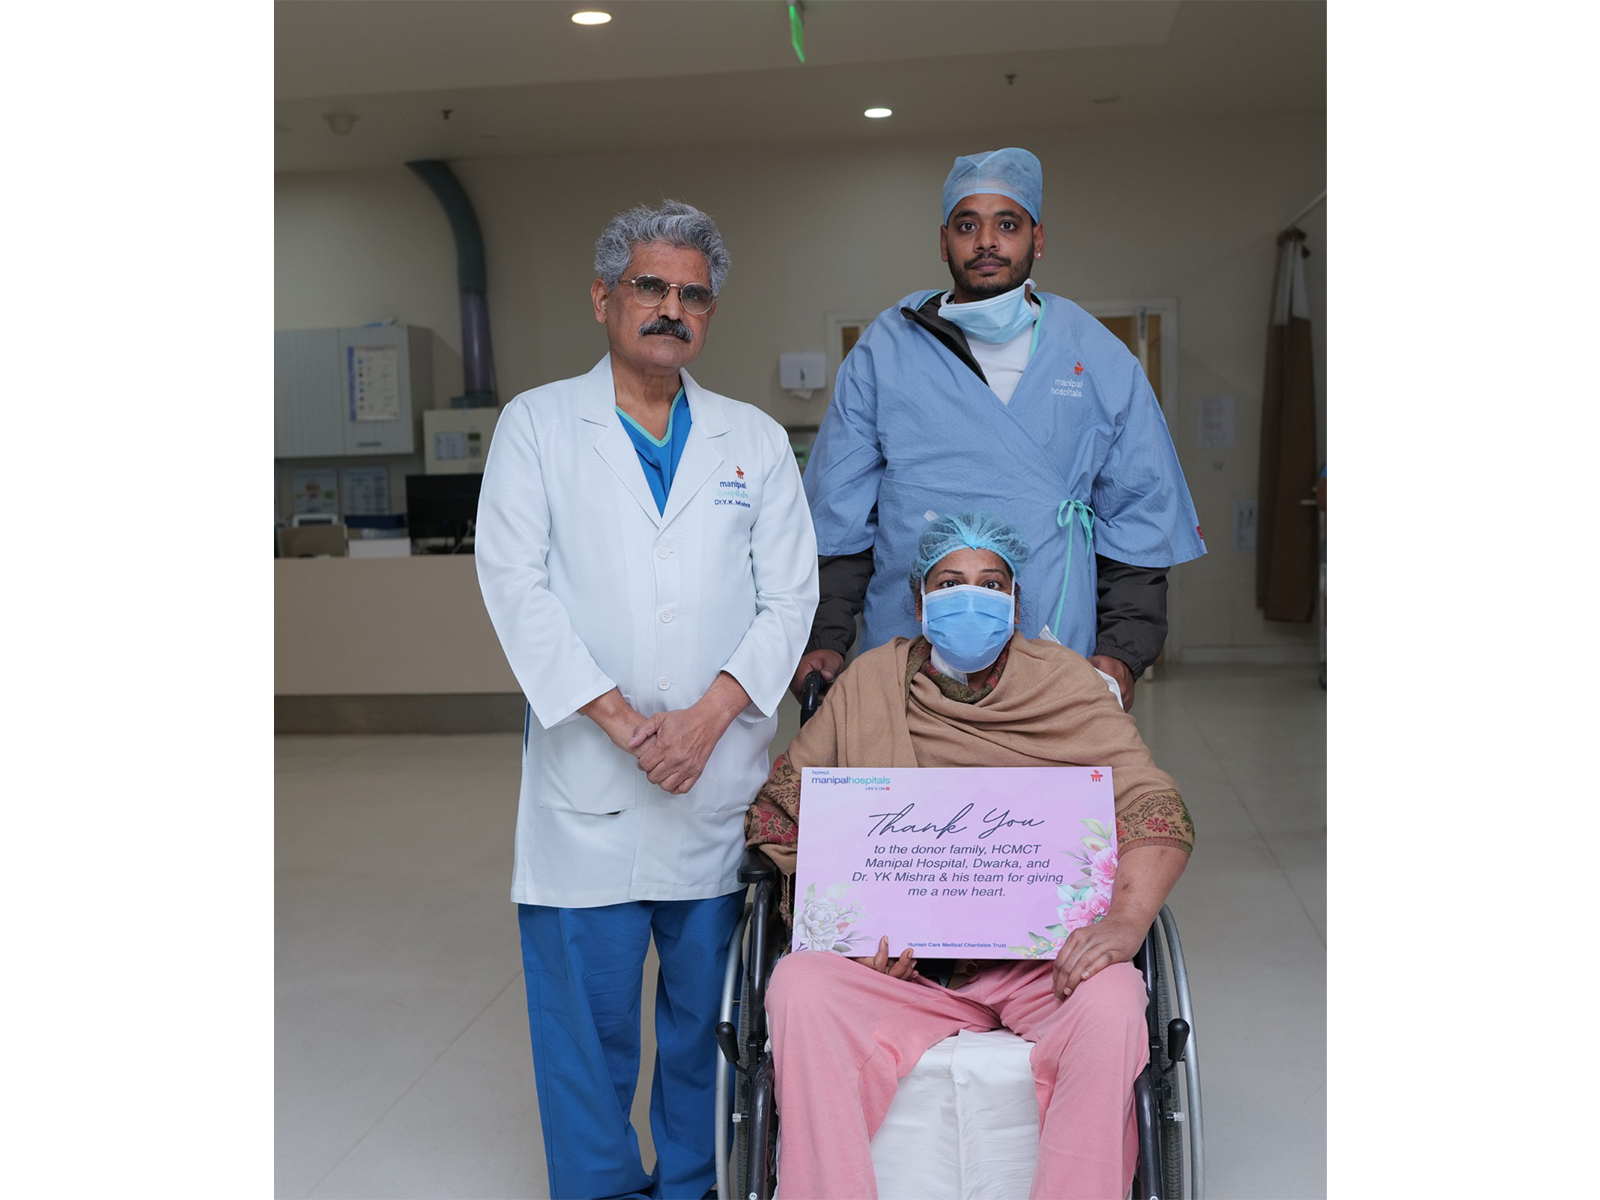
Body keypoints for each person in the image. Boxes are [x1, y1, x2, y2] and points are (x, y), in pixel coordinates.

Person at [476, 200, 818, 1200]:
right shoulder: (538, 425)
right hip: (588, 790)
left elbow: (789, 595)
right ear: (603, 298)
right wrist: (624, 723)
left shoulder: (751, 439)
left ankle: (695, 1188)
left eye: (693, 295)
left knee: (709, 1026)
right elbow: (514, 583)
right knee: (586, 1037)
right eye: (651, 287)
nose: (672, 309)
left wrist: (708, 719)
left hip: (713, 787)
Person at [746, 512, 1193, 1199]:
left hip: (1042, 966)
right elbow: (781, 813)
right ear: (920, 600)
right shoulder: (869, 686)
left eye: (991, 584)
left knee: (1113, 1001)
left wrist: (1124, 925)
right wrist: (851, 922)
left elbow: (1152, 807)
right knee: (799, 987)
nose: (970, 597)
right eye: (950, 582)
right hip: (903, 970)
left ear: (1016, 603)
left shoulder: (1068, 687)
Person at [794, 147, 1206, 711]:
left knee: (1038, 794)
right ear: (944, 242)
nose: (986, 242)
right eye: (968, 225)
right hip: (907, 650)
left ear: (1037, 238)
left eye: (1006, 224)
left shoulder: (1094, 356)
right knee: (913, 794)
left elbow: (1138, 518)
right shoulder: (885, 351)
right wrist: (827, 637)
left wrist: (1123, 650)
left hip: (1054, 646)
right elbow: (839, 519)